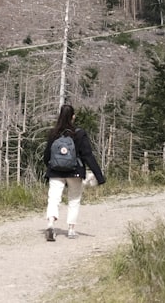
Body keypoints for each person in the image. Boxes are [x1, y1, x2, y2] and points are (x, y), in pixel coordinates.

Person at [43, 103, 105, 241]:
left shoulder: (54, 133)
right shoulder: (79, 133)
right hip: (75, 172)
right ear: (73, 117)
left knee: (53, 198)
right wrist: (99, 176)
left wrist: (51, 166)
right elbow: (87, 155)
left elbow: (46, 155)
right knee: (74, 200)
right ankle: (71, 229)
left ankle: (51, 224)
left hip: (55, 172)